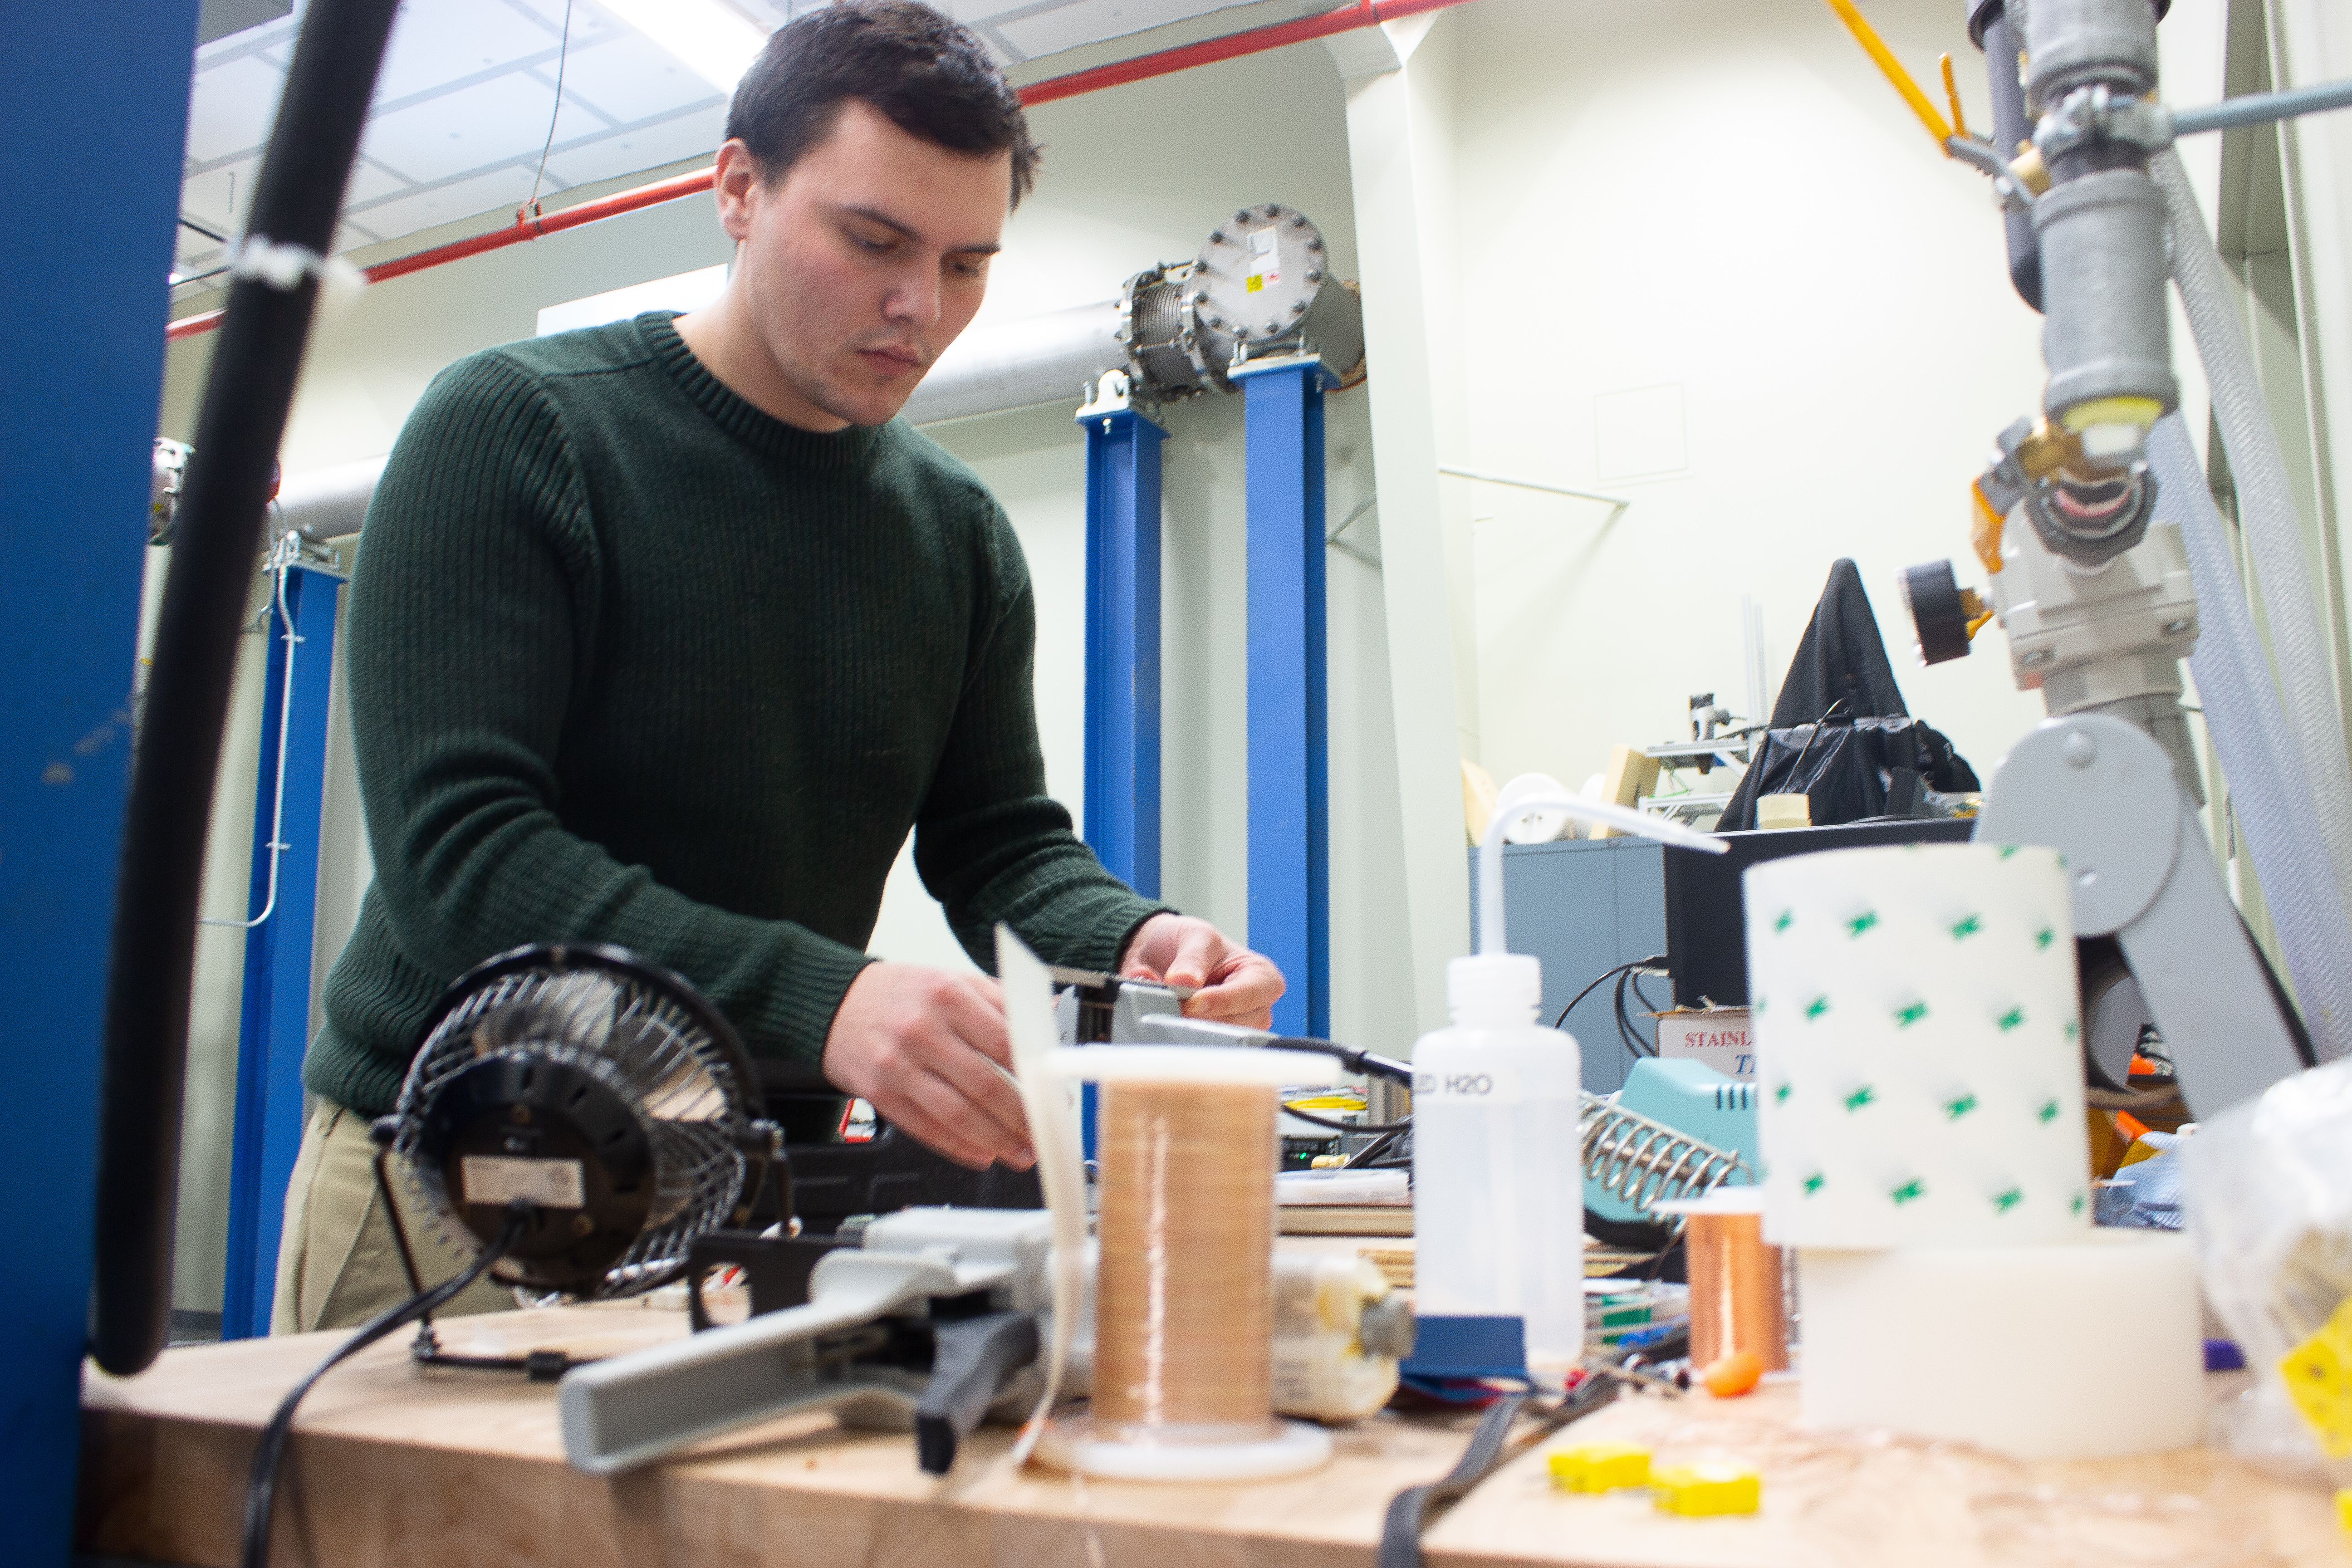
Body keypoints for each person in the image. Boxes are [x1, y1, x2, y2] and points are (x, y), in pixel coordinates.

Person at [272, 0, 1281, 1333]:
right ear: (738, 188)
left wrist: (1138, 941)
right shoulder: (516, 432)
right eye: (872, 241)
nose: (920, 306)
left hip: (740, 1194)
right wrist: (831, 1001)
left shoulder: (956, 533)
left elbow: (996, 846)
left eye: (968, 263)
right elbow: (466, 861)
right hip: (459, 1172)